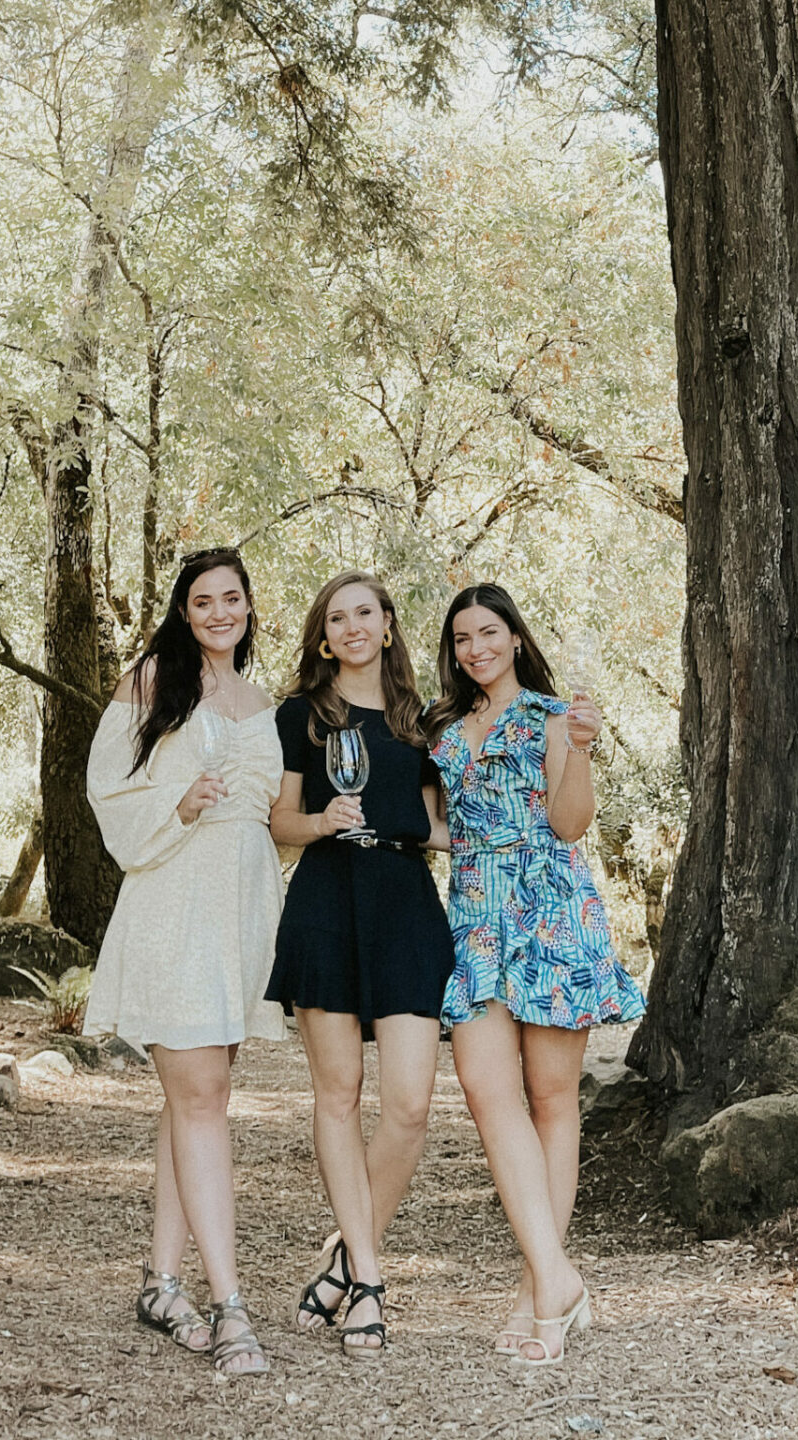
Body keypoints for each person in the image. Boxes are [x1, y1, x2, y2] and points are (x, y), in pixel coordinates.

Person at [425, 584, 644, 1366]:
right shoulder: (443, 726)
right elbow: (441, 822)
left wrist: (580, 750)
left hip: (551, 911)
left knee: (553, 1102)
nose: (476, 648)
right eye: (462, 639)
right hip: (478, 916)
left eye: (489, 632)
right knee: (489, 1094)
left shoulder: (554, 717)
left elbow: (570, 822)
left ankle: (537, 1292)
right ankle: (559, 1280)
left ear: (515, 637)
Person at [83, 548, 284, 1376]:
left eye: (231, 598)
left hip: (240, 912)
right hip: (175, 903)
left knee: (192, 1101)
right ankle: (231, 1306)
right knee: (202, 1103)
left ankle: (162, 1283)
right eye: (202, 600)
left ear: (247, 608)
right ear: (183, 609)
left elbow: (275, 814)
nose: (217, 612)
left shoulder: (263, 701)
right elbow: (104, 788)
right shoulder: (151, 680)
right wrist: (181, 801)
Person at [266, 570, 455, 1354]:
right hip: (327, 904)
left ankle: (342, 1257)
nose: (351, 627)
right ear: (323, 636)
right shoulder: (300, 716)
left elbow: (444, 828)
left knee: (409, 1105)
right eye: (336, 618)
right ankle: (370, 1279)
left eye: (364, 614)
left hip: (406, 904)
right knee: (338, 1094)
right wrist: (320, 820)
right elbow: (279, 823)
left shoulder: (426, 722)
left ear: (386, 626)